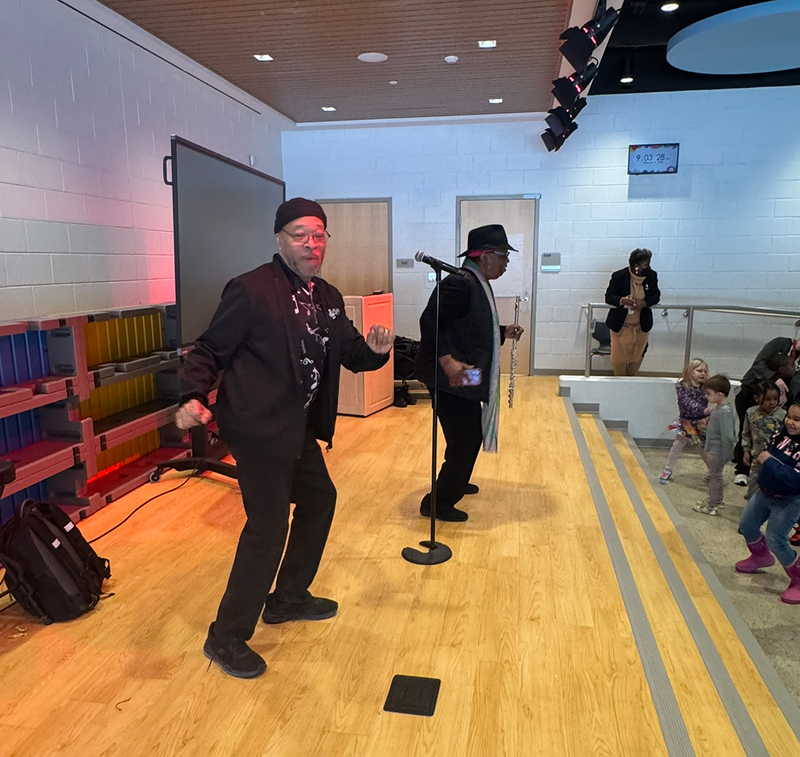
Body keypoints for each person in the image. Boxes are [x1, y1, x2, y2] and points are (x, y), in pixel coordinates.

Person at [175, 197, 393, 679]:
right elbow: (209, 349)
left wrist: (378, 352)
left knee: (319, 500)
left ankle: (288, 597)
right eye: (300, 234)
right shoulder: (251, 290)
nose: (311, 243)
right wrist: (193, 394)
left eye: (319, 235)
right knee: (268, 527)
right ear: (279, 238)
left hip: (296, 430)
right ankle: (226, 636)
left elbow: (352, 353)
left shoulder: (328, 297)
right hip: (257, 429)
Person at [414, 224, 524, 522]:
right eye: (503, 255)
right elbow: (429, 322)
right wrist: (447, 361)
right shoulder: (460, 284)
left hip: (468, 373)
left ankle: (457, 480)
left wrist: (502, 331)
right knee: (466, 438)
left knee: (466, 433)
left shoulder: (476, 283)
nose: (506, 262)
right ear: (486, 256)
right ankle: (438, 502)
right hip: (450, 375)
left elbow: (470, 328)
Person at [734, 400, 800, 604]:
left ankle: (798, 579)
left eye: (797, 419)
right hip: (764, 492)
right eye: (789, 416)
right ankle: (761, 556)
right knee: (747, 526)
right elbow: (768, 453)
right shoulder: (781, 433)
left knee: (776, 539)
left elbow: (794, 479)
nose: (789, 421)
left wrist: (769, 462)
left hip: (788, 500)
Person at [733, 337, 798, 486]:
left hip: (777, 402)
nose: (794, 368)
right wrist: (775, 378)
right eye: (792, 366)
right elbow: (758, 364)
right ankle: (742, 470)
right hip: (753, 392)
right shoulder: (781, 343)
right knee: (747, 429)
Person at [604, 248, 660, 376]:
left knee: (637, 357)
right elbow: (609, 296)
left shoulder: (651, 276)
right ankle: (620, 383)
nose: (647, 268)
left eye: (648, 264)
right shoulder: (619, 276)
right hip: (621, 326)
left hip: (641, 325)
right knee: (618, 360)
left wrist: (644, 302)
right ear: (635, 266)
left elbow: (656, 296)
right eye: (644, 265)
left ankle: (631, 380)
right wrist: (622, 300)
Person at [660, 358, 710, 485]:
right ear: (690, 371)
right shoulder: (682, 386)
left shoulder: (706, 387)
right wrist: (703, 410)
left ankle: (713, 471)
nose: (702, 373)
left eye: (705, 371)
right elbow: (686, 402)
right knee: (677, 445)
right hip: (686, 422)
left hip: (700, 422)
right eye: (699, 370)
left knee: (702, 448)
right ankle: (668, 469)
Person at [693, 374, 737, 517]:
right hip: (713, 449)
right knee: (715, 476)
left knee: (714, 477)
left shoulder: (724, 411)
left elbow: (728, 436)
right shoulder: (720, 408)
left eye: (708, 394)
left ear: (719, 394)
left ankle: (712, 505)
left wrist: (726, 454)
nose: (706, 397)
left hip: (717, 452)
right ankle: (717, 500)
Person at [741, 380, 786, 501]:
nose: (772, 403)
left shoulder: (782, 415)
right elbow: (746, 433)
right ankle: (751, 503)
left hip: (775, 458)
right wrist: (746, 450)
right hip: (756, 456)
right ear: (757, 398)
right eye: (767, 399)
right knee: (754, 480)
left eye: (775, 399)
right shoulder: (750, 413)